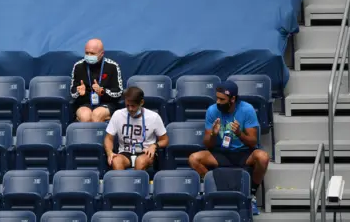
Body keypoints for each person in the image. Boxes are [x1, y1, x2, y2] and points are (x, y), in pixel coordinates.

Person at [188, 80, 270, 215]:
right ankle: (218, 191)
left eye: (222, 99)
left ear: (232, 99)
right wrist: (213, 134)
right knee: (194, 159)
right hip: (221, 153)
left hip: (244, 152)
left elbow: (253, 142)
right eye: (217, 98)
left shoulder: (247, 109)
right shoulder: (212, 110)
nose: (218, 102)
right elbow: (207, 144)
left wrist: (239, 134)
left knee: (263, 157)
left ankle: (251, 196)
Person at [104, 86, 169, 171]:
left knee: (140, 161)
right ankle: (121, 183)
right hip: (125, 152)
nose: (130, 109)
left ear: (141, 102)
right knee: (116, 161)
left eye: (133, 106)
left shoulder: (154, 117)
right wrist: (110, 153)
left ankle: (136, 184)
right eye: (127, 106)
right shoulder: (118, 115)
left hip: (145, 152)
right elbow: (108, 138)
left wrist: (154, 146)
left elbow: (165, 140)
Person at [69, 38, 123, 122]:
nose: (89, 56)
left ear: (102, 54)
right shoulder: (78, 66)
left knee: (96, 115)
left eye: (92, 53)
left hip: (106, 103)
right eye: (87, 53)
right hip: (85, 103)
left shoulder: (112, 66)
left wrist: (102, 91)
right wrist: (78, 91)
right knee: (85, 116)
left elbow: (118, 92)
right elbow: (72, 92)